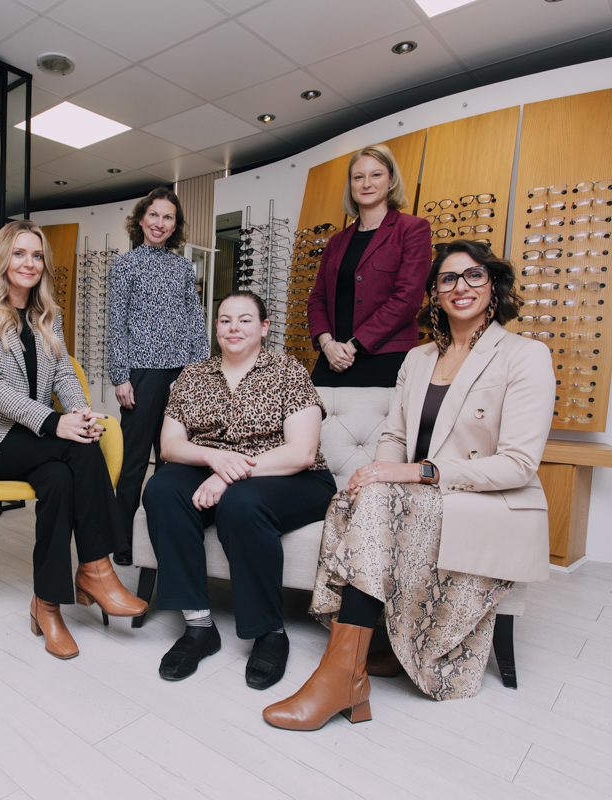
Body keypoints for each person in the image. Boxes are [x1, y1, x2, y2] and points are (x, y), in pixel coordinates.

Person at [263, 239, 555, 731]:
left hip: (483, 501)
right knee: (362, 494)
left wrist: (416, 473)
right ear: (435, 293)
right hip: (418, 500)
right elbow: (396, 436)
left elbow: (519, 465)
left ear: (494, 285)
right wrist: (377, 472)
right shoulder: (419, 359)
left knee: (378, 498)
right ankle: (364, 659)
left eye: (474, 276)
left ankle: (341, 675)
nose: (461, 287)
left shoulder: (525, 356)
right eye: (448, 279)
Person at [0, 220, 147, 660]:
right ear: (2, 258)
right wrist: (58, 424)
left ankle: (46, 605)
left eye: (37, 256)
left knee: (59, 477)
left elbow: (64, 376)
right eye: (19, 253)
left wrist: (79, 412)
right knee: (75, 445)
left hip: (33, 441)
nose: (29, 263)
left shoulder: (44, 316)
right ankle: (96, 569)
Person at [142, 291, 337, 690]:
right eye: (225, 320)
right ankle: (199, 628)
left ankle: (270, 633)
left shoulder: (288, 371)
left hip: (290, 476)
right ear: (216, 327)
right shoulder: (193, 376)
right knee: (161, 488)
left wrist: (230, 475)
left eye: (245, 320)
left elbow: (301, 452)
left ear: (264, 328)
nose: (234, 328)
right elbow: (170, 447)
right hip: (215, 468)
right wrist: (215, 461)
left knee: (241, 503)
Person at [108, 188, 210, 566]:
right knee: (134, 462)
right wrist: (121, 375)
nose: (159, 223)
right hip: (142, 374)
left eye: (167, 218)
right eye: (154, 215)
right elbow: (116, 325)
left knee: (174, 463)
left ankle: (166, 538)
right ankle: (122, 541)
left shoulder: (184, 268)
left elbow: (195, 321)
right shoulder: (124, 265)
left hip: (181, 374)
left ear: (174, 226)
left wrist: (199, 374)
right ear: (140, 219)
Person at [306, 143, 431, 387]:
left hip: (386, 358)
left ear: (391, 179)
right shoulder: (337, 242)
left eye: (376, 174)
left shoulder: (413, 229)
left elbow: (408, 298)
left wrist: (354, 344)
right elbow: (317, 299)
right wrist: (327, 343)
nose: (366, 183)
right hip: (332, 358)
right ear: (350, 184)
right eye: (358, 177)